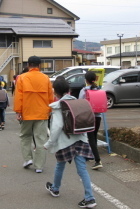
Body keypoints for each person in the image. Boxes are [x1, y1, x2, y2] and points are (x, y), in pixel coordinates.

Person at [44, 79, 97, 208]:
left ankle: (55, 188)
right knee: (82, 170)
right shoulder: (77, 102)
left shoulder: (58, 106)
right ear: (69, 90)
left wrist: (49, 144)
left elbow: (57, 127)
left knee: (60, 165)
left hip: (65, 142)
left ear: (55, 92)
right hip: (80, 139)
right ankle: (90, 198)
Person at [13, 56, 53, 173]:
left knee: (25, 136)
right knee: (40, 139)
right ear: (39, 65)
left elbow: (18, 96)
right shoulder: (46, 78)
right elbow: (50, 96)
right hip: (42, 113)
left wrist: (18, 111)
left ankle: (27, 159)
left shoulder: (22, 78)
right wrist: (49, 110)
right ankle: (39, 166)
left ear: (28, 65)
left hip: (26, 112)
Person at [78, 71, 103, 170]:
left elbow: (80, 103)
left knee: (90, 138)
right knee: (94, 136)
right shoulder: (99, 89)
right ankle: (91, 155)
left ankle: (97, 160)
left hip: (89, 117)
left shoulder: (84, 90)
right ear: (95, 79)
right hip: (98, 116)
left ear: (86, 80)